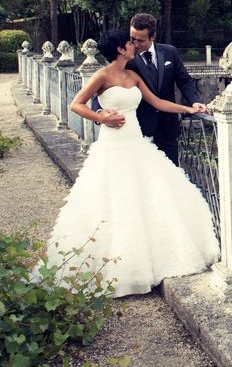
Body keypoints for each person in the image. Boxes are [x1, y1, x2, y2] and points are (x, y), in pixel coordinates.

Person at [48, 29, 218, 298]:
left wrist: (189, 109)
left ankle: (156, 259)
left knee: (152, 197)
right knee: (115, 203)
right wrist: (102, 118)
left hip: (137, 143)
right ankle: (120, 270)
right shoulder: (102, 76)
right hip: (113, 145)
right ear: (119, 49)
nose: (134, 45)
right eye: (129, 43)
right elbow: (76, 105)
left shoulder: (134, 75)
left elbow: (159, 102)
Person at [97, 13, 206, 165]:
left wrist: (194, 102)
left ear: (153, 37)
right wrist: (101, 114)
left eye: (140, 40)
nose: (134, 44)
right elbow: (105, 88)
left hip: (168, 126)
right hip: (137, 128)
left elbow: (184, 80)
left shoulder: (170, 52)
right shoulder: (125, 58)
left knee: (171, 175)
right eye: (132, 38)